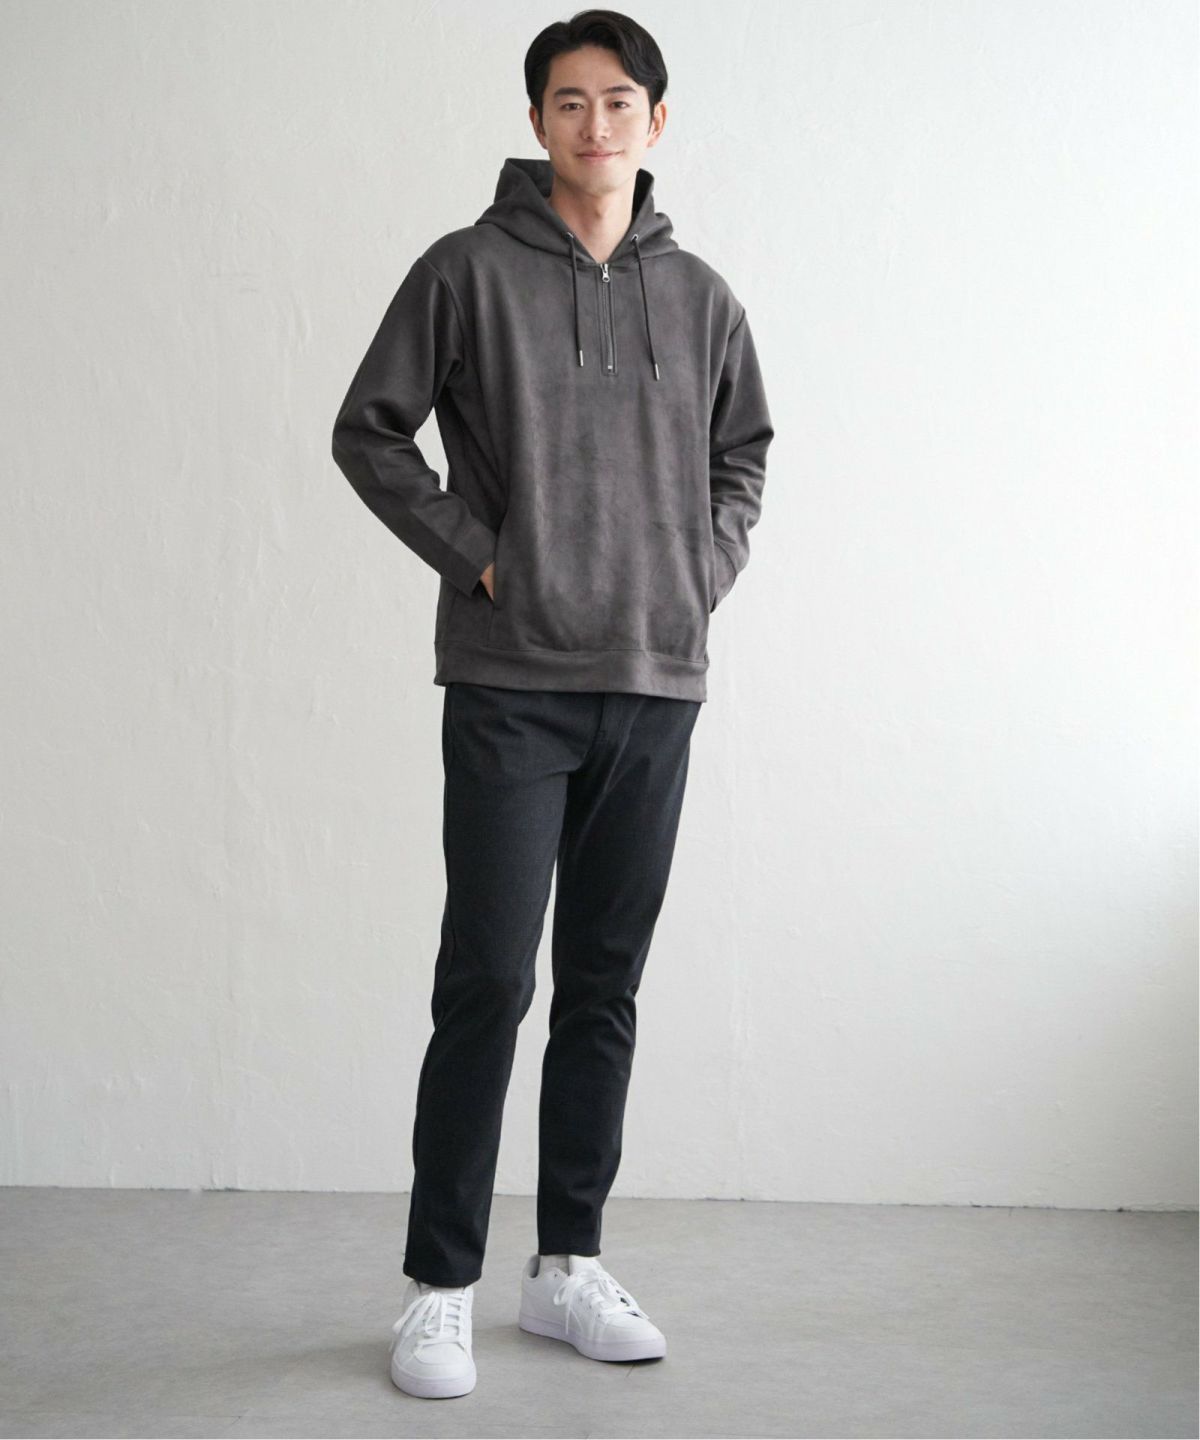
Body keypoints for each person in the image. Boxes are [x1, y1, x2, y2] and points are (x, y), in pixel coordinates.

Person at [331, 7, 773, 1401]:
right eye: (569, 102)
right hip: (511, 682)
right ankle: (440, 1287)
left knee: (603, 985)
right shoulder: (464, 272)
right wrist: (480, 556)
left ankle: (567, 1263)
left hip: (654, 681)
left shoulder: (701, 296)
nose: (595, 123)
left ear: (656, 121)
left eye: (618, 100)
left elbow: (745, 456)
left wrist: (698, 573)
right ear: (536, 122)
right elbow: (369, 430)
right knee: (488, 980)